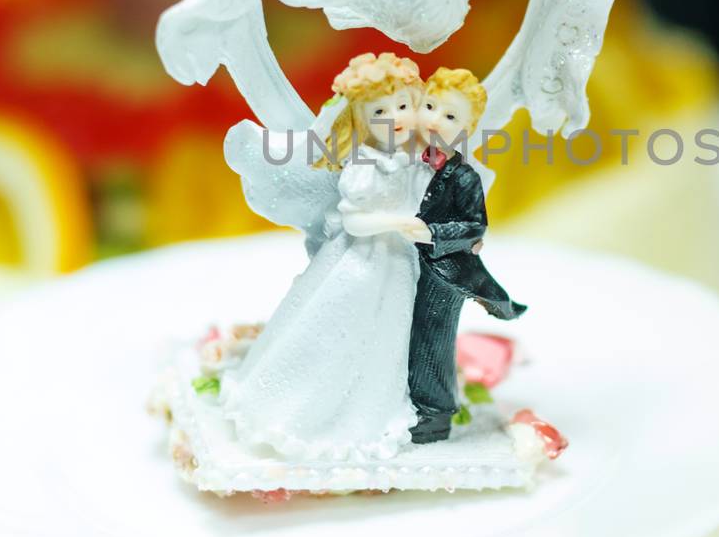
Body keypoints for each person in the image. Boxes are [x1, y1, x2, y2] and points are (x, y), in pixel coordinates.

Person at [221, 52, 432, 465]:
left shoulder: (412, 159)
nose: (396, 118)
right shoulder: (366, 163)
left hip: (398, 267)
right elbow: (354, 219)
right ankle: (310, 412)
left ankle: (372, 408)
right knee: (335, 332)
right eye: (380, 112)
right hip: (362, 264)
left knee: (384, 342)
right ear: (360, 119)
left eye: (404, 106)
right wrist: (396, 222)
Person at [408, 68, 525, 444]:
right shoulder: (407, 160)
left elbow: (475, 227)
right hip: (404, 263)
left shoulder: (464, 178)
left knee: (431, 337)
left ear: (467, 127)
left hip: (444, 269)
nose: (436, 121)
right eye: (430, 107)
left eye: (451, 116)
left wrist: (431, 233)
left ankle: (434, 415)